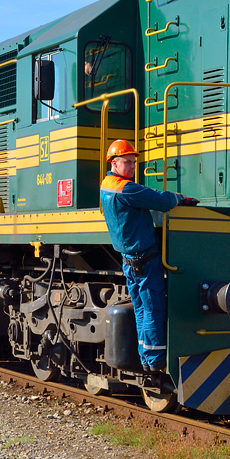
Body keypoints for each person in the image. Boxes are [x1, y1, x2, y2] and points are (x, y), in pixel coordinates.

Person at [99, 139, 197, 372]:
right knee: (152, 308)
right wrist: (179, 198)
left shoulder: (106, 185)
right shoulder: (126, 189)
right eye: (127, 162)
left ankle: (146, 357)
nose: (133, 167)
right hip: (145, 260)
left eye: (133, 162)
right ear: (114, 162)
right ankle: (155, 362)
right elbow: (160, 200)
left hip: (130, 261)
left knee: (142, 308)